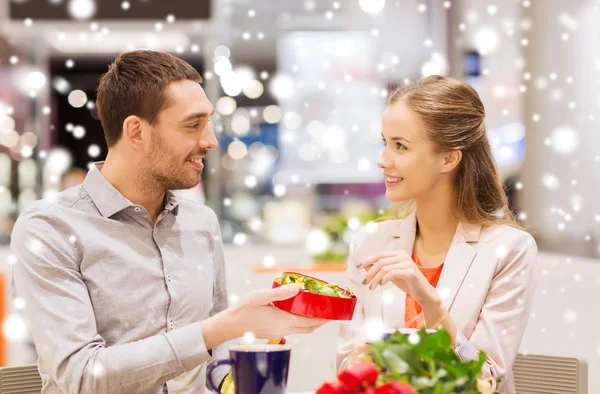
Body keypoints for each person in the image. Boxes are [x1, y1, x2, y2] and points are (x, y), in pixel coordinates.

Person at [10, 50, 326, 394]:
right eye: (193, 125)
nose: (210, 141)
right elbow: (83, 376)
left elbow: (216, 346)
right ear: (136, 132)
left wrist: (235, 382)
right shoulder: (49, 228)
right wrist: (221, 327)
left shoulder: (201, 222)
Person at [337, 75, 537, 394]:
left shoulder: (509, 249)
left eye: (400, 146)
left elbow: (485, 379)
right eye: (385, 142)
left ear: (448, 158)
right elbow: (347, 366)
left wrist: (429, 302)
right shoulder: (369, 242)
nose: (383, 160)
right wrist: (360, 362)